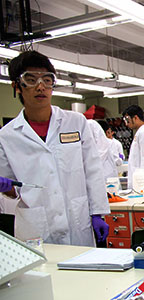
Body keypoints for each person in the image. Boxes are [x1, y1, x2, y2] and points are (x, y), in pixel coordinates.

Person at [0, 51, 110, 246]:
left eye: (47, 80)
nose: (41, 87)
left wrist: (98, 213)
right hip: (36, 226)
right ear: (17, 86)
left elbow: (92, 170)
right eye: (31, 79)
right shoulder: (7, 136)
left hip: (77, 221)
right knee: (42, 273)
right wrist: (6, 188)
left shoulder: (76, 122)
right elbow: (13, 188)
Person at [122, 105, 144, 189]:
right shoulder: (141, 132)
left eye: (128, 120)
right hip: (141, 181)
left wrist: (142, 184)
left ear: (136, 118)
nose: (126, 123)